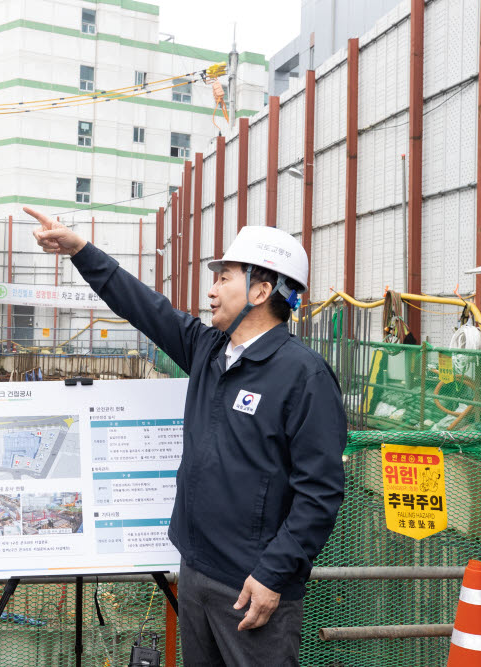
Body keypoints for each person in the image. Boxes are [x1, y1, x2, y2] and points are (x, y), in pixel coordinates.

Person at [27, 206, 346, 666]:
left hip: (252, 586)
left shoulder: (304, 375)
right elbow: (141, 305)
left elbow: (320, 492)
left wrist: (273, 575)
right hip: (196, 571)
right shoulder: (209, 350)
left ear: (261, 290)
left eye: (225, 278)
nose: (211, 291)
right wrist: (80, 251)